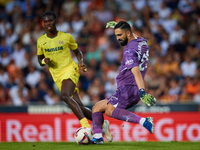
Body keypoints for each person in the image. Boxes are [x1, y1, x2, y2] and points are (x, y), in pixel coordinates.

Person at [37, 10, 112, 141]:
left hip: (70, 69)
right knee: (80, 107)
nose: (48, 23)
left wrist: (81, 62)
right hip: (57, 76)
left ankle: (85, 126)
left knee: (65, 96)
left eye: (50, 20)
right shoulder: (41, 41)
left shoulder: (66, 37)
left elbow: (78, 52)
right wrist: (44, 61)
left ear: (56, 21)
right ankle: (103, 124)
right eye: (46, 21)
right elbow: (39, 59)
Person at [91, 21, 156, 144]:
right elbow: (133, 33)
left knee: (109, 111)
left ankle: (144, 122)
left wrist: (142, 92)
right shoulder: (142, 42)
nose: (118, 38)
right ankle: (98, 137)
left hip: (128, 88)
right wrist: (117, 25)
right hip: (131, 88)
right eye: (116, 35)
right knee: (97, 108)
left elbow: (136, 71)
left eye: (120, 35)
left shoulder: (128, 51)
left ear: (128, 33)